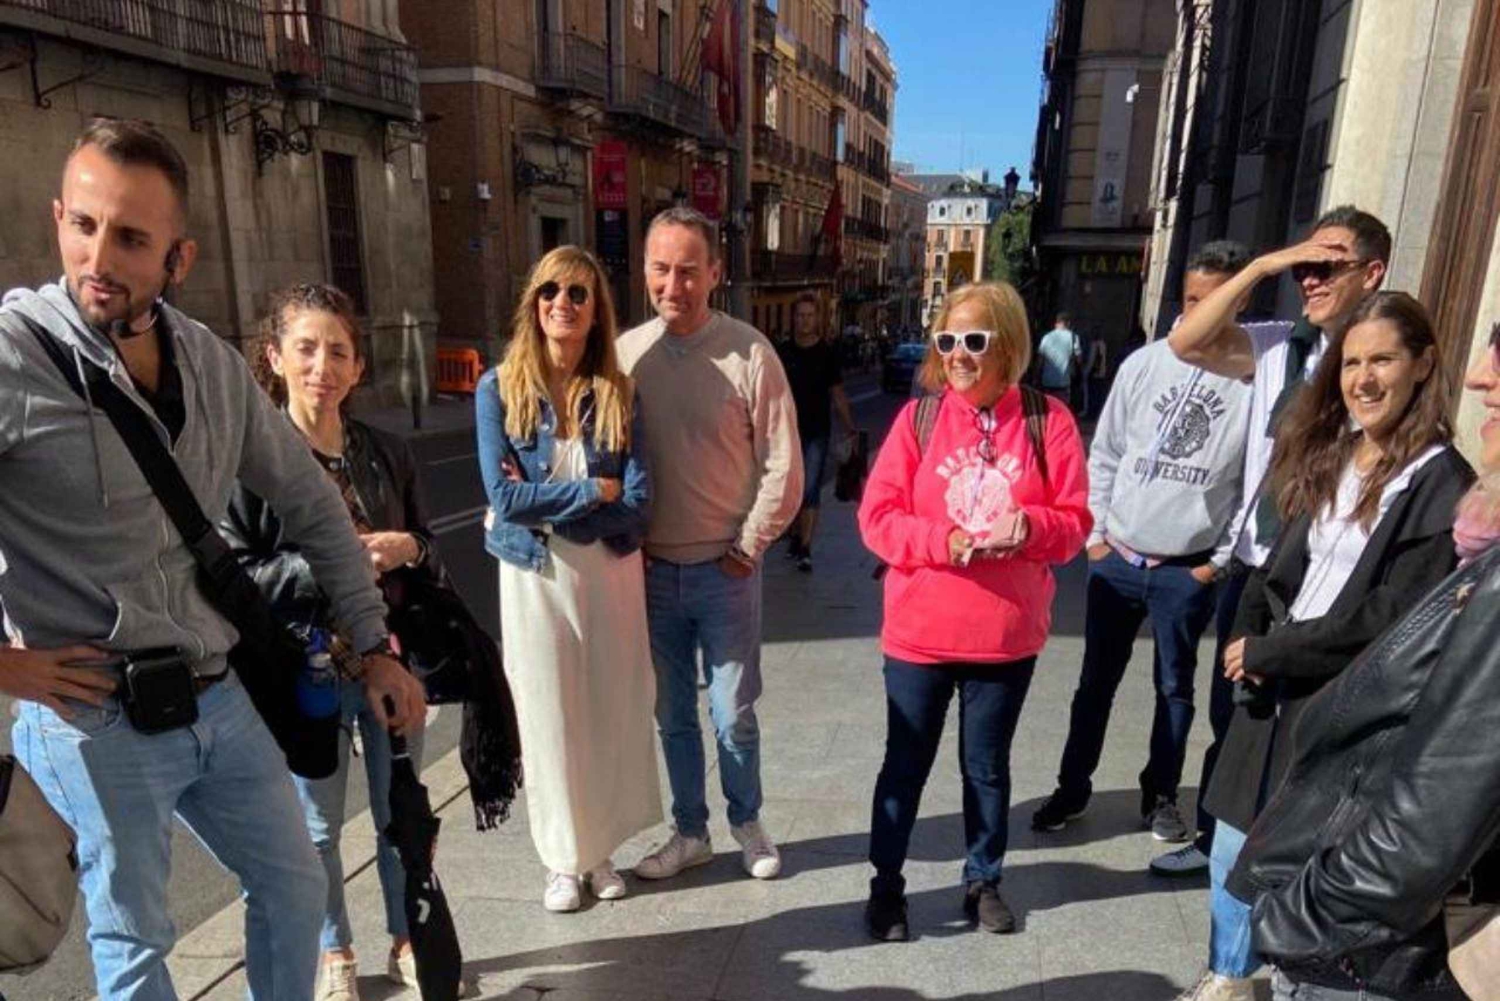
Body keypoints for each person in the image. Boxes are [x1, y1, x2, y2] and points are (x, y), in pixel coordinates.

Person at [0, 118, 426, 1001]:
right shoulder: (12, 358)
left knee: (295, 885)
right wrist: (6, 666)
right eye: (82, 224)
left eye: (130, 238)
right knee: (136, 941)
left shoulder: (206, 362)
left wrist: (374, 643)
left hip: (216, 693)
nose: (97, 257)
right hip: (95, 714)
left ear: (177, 258)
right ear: (57, 218)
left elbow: (311, 504)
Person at [1189, 292, 1473, 1001]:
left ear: (1423, 365)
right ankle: (1229, 978)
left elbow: (1391, 616)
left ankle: (1282, 983)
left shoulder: (1441, 481)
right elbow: (1276, 565)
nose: (1363, 379)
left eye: (1383, 360)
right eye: (1351, 363)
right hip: (1270, 689)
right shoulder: (1339, 454)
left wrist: (1275, 652)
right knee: (1233, 852)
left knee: (1295, 872)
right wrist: (1247, 639)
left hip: (1338, 705)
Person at [1159, 205, 1393, 886]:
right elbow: (1187, 341)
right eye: (1303, 267)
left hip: (1328, 575)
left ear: (1372, 273)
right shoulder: (1275, 346)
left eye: (1327, 265)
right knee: (1232, 715)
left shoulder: (1380, 364)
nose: (1310, 279)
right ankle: (1222, 849)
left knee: (1304, 731)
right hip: (1258, 568)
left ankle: (1284, 867)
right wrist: (1265, 265)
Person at [857, 281, 1091, 942]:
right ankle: (886, 886)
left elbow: (1075, 523)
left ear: (1008, 344)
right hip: (919, 633)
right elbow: (877, 519)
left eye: (975, 340)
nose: (957, 354)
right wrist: (945, 540)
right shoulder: (919, 420)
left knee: (986, 768)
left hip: (1004, 636)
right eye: (947, 339)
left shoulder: (1048, 421)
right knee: (904, 765)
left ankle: (983, 879)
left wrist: (1033, 525)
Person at [221, 283, 436, 1000]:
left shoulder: (387, 452)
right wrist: (328, 560)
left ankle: (408, 937)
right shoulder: (249, 463)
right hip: (303, 670)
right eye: (306, 349)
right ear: (275, 357)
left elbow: (430, 551)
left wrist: (407, 547)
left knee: (399, 811)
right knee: (316, 828)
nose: (323, 367)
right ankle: (334, 949)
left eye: (339, 351)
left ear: (358, 366)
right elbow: (235, 575)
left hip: (389, 659)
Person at [1032, 242, 1255, 844]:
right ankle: (1072, 787)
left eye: (1216, 300)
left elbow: (1251, 483)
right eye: (1191, 299)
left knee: (1175, 690)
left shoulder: (1252, 381)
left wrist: (1216, 563)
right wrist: (1096, 536)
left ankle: (1161, 796)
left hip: (1188, 569)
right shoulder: (1144, 364)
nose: (1200, 312)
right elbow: (1105, 452)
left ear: (1240, 301)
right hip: (1119, 559)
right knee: (1094, 686)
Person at [616, 208, 803, 883]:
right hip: (650, 572)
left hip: (726, 568)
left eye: (689, 271)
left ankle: (746, 821)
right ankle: (690, 831)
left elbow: (784, 462)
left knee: (732, 712)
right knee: (672, 714)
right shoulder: (626, 355)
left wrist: (749, 544)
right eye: (661, 269)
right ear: (645, 272)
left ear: (715, 273)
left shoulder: (751, 352)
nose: (674, 285)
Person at [476, 246, 661, 912]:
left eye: (579, 293)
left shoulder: (618, 391)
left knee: (607, 709)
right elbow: (502, 496)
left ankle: (599, 850)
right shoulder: (498, 389)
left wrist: (550, 502)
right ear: (534, 301)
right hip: (535, 573)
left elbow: (638, 501)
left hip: (608, 571)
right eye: (551, 290)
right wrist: (590, 489)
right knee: (549, 714)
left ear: (596, 310)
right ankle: (562, 860)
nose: (563, 303)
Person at [778, 292, 855, 572]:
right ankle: (796, 534)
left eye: (810, 315)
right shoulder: (782, 352)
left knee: (810, 488)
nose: (805, 321)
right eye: (800, 315)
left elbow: (837, 393)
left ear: (817, 319)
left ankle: (806, 548)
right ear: (793, 319)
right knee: (791, 490)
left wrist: (849, 428)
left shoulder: (827, 353)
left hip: (816, 433)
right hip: (785, 433)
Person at [1037, 312, 1082, 408]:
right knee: (1062, 410)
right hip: (1063, 382)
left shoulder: (1046, 337)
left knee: (1047, 410)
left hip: (1047, 382)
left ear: (1056, 323)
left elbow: (1040, 361)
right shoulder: (1073, 337)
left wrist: (1036, 378)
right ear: (1068, 323)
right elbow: (1079, 359)